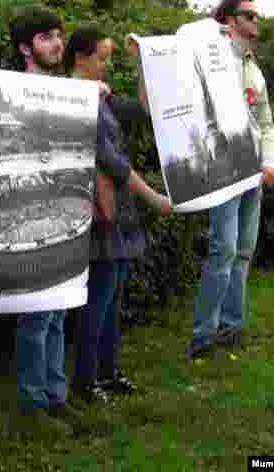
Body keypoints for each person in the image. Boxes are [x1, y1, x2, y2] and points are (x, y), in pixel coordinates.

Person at [65, 25, 171, 403]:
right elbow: (113, 164)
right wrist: (154, 198)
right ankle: (86, 380)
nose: (106, 65)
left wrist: (144, 63)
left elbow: (145, 110)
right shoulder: (76, 99)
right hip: (99, 212)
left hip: (117, 211)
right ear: (80, 58)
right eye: (102, 58)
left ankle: (108, 373)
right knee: (97, 303)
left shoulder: (101, 96)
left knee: (113, 302)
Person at [2, 7, 85, 438]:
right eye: (47, 37)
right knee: (36, 314)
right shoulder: (13, 90)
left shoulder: (63, 92)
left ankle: (56, 395)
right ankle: (34, 401)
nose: (57, 43)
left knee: (56, 310)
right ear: (24, 47)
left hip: (61, 209)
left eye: (59, 35)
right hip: (29, 208)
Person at [184, 0, 274, 360]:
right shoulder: (210, 59)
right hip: (223, 172)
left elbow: (266, 122)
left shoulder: (253, 68)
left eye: (257, 15)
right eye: (249, 15)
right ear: (229, 21)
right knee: (222, 253)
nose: (256, 22)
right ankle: (202, 338)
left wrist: (268, 163)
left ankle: (232, 329)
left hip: (254, 173)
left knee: (242, 254)